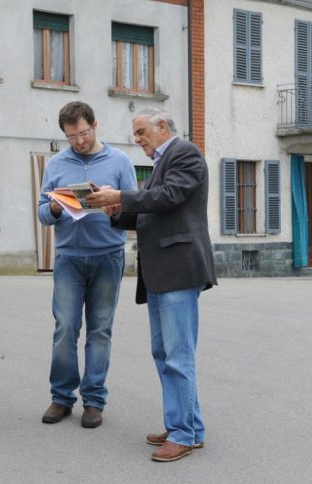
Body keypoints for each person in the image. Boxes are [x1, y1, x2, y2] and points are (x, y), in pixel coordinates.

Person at [87, 108, 217, 462]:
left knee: (178, 356)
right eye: (136, 134)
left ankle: (182, 433)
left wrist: (119, 196)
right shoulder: (164, 160)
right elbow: (152, 210)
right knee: (165, 354)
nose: (138, 139)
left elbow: (168, 197)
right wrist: (115, 210)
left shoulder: (185, 153)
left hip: (178, 269)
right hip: (162, 271)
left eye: (142, 131)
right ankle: (189, 425)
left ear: (162, 126)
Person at [37, 101, 137, 428]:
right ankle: (61, 397)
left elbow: (134, 211)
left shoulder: (120, 161)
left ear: (95, 125)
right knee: (65, 327)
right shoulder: (56, 165)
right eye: (71, 137)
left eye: (82, 133)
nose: (78, 142)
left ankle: (94, 400)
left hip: (108, 256)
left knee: (100, 329)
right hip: (69, 258)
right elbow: (40, 211)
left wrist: (115, 206)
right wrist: (53, 208)